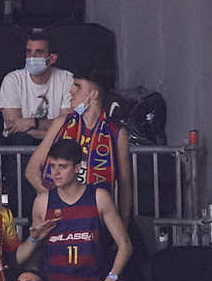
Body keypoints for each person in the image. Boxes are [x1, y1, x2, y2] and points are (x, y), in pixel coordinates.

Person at [33, 138, 134, 281]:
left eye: (63, 166)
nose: (56, 172)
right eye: (52, 166)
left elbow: (125, 245)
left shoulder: (99, 197)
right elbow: (36, 251)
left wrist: (111, 278)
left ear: (78, 168)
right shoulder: (42, 202)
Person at [25, 67, 133, 227]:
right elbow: (31, 171)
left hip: (95, 222)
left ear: (94, 94)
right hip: (57, 218)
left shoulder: (117, 132)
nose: (71, 91)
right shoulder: (61, 123)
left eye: (77, 86)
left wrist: (121, 225)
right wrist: (57, 202)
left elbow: (125, 186)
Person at [0, 31, 73, 144]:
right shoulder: (12, 80)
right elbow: (13, 128)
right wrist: (53, 132)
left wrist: (33, 123)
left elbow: (69, 123)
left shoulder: (67, 78)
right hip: (21, 146)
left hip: (57, 148)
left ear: (52, 58)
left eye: (39, 52)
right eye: (29, 52)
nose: (32, 57)